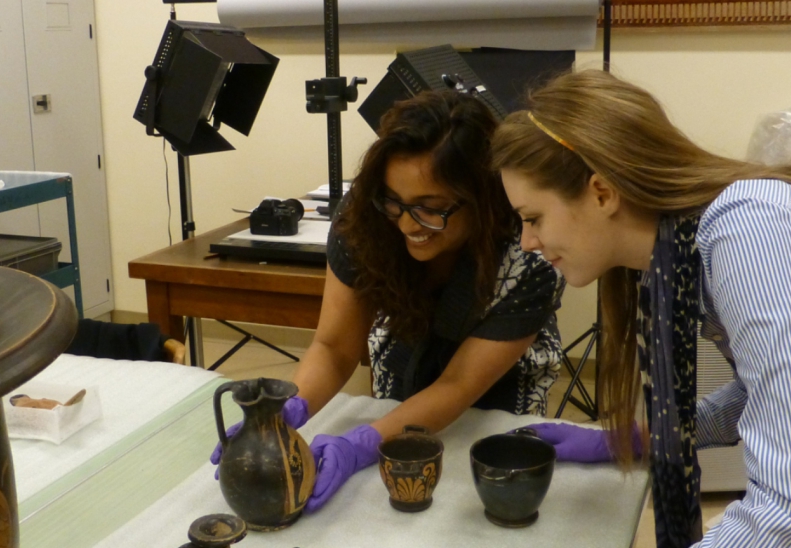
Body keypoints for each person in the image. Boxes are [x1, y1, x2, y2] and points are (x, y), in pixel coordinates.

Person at [486, 69, 791, 548]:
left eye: (533, 216)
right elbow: (776, 393)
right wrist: (645, 436)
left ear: (601, 192)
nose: (528, 241)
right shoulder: (685, 252)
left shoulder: (752, 231)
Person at [212, 90, 565, 512]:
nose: (406, 223)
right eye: (394, 202)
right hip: (403, 375)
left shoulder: (529, 250)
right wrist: (285, 409)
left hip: (497, 403)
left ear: (483, 198)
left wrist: (362, 444)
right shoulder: (365, 221)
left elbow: (458, 385)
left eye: (429, 208)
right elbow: (334, 347)